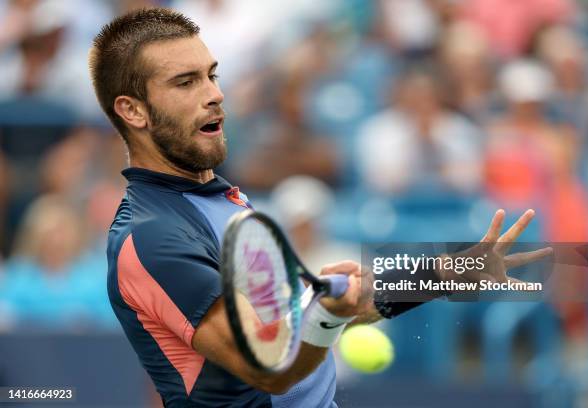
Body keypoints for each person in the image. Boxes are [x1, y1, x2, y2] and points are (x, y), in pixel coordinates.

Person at [90, 8, 551, 407]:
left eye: (212, 74)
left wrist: (444, 272)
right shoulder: (153, 236)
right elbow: (269, 366)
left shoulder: (221, 199)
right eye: (185, 82)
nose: (215, 93)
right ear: (133, 111)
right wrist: (330, 313)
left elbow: (300, 321)